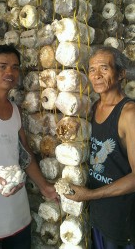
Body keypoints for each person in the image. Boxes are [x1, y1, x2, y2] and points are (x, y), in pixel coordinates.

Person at [0, 45, 57, 249]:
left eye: (15, 67)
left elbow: (24, 155)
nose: (10, 72)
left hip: (17, 212)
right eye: (2, 66)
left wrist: (44, 186)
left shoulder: (15, 110)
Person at [65, 47, 135, 248]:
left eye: (104, 68)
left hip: (121, 220)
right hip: (98, 215)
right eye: (92, 69)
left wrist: (89, 195)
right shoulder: (93, 107)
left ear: (121, 74)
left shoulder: (129, 113)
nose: (96, 75)